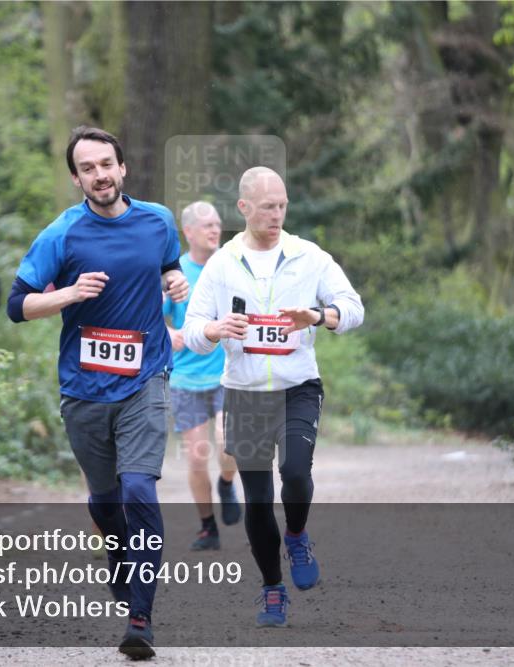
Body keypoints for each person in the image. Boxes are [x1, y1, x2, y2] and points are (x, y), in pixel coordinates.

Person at [7, 126, 188, 659]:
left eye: (106, 164)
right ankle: (116, 550)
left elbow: (168, 267)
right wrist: (68, 293)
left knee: (138, 489)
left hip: (146, 378)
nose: (100, 175)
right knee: (106, 500)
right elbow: (17, 305)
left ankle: (141, 618)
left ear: (123, 167)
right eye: (88, 168)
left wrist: (175, 281)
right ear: (76, 178)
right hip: (84, 389)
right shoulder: (63, 234)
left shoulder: (157, 220)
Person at [182, 166, 364, 628]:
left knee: (296, 474)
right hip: (244, 393)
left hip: (297, 387)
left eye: (282, 206)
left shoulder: (308, 256)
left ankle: (298, 534)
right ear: (244, 208)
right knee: (259, 499)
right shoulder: (222, 263)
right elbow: (192, 328)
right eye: (267, 207)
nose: (277, 215)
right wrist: (214, 328)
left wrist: (319, 316)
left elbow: (354, 307)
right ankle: (271, 589)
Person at [163, 201, 242, 551]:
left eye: (218, 223)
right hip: (185, 377)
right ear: (189, 232)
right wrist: (170, 335)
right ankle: (207, 527)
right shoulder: (174, 272)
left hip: (228, 373)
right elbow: (152, 318)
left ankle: (227, 481)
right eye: (207, 225)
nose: (215, 230)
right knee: (196, 455)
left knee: (229, 443)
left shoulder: (232, 265)